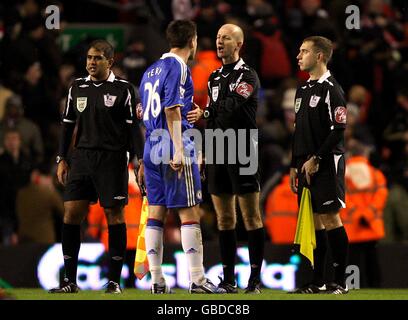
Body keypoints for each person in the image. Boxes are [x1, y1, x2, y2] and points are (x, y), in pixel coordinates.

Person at [49, 39, 144, 294]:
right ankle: (69, 281)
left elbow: (133, 128)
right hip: (81, 158)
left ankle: (114, 281)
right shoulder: (76, 87)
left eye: (97, 58)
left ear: (110, 61)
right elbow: (67, 125)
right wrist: (62, 158)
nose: (91, 62)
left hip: (112, 159)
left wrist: (140, 160)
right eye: (89, 58)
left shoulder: (124, 89)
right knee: (71, 214)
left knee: (115, 215)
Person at [138, 20, 225, 294]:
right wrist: (178, 148)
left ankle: (156, 280)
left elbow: (144, 113)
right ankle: (198, 280)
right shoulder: (179, 67)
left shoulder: (150, 70)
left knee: (156, 213)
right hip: (172, 141)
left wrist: (144, 159)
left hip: (151, 144)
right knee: (189, 212)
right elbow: (172, 109)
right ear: (193, 40)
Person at [187, 24, 265, 294]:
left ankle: (254, 279)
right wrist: (206, 151)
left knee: (251, 216)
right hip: (218, 148)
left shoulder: (248, 75)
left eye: (226, 38)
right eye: (218, 37)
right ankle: (229, 279)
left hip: (243, 147)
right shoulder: (214, 77)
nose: (220, 42)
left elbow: (230, 108)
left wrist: (205, 113)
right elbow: (215, 118)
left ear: (239, 44)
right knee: (224, 219)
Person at [289, 36, 349, 294]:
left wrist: (317, 159)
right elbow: (298, 130)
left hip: (325, 163)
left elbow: (339, 129)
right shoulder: (302, 90)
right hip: (304, 166)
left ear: (319, 56)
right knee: (313, 222)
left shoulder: (332, 89)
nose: (299, 56)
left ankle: (340, 281)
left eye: (304, 52)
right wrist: (295, 163)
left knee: (330, 217)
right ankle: (318, 281)